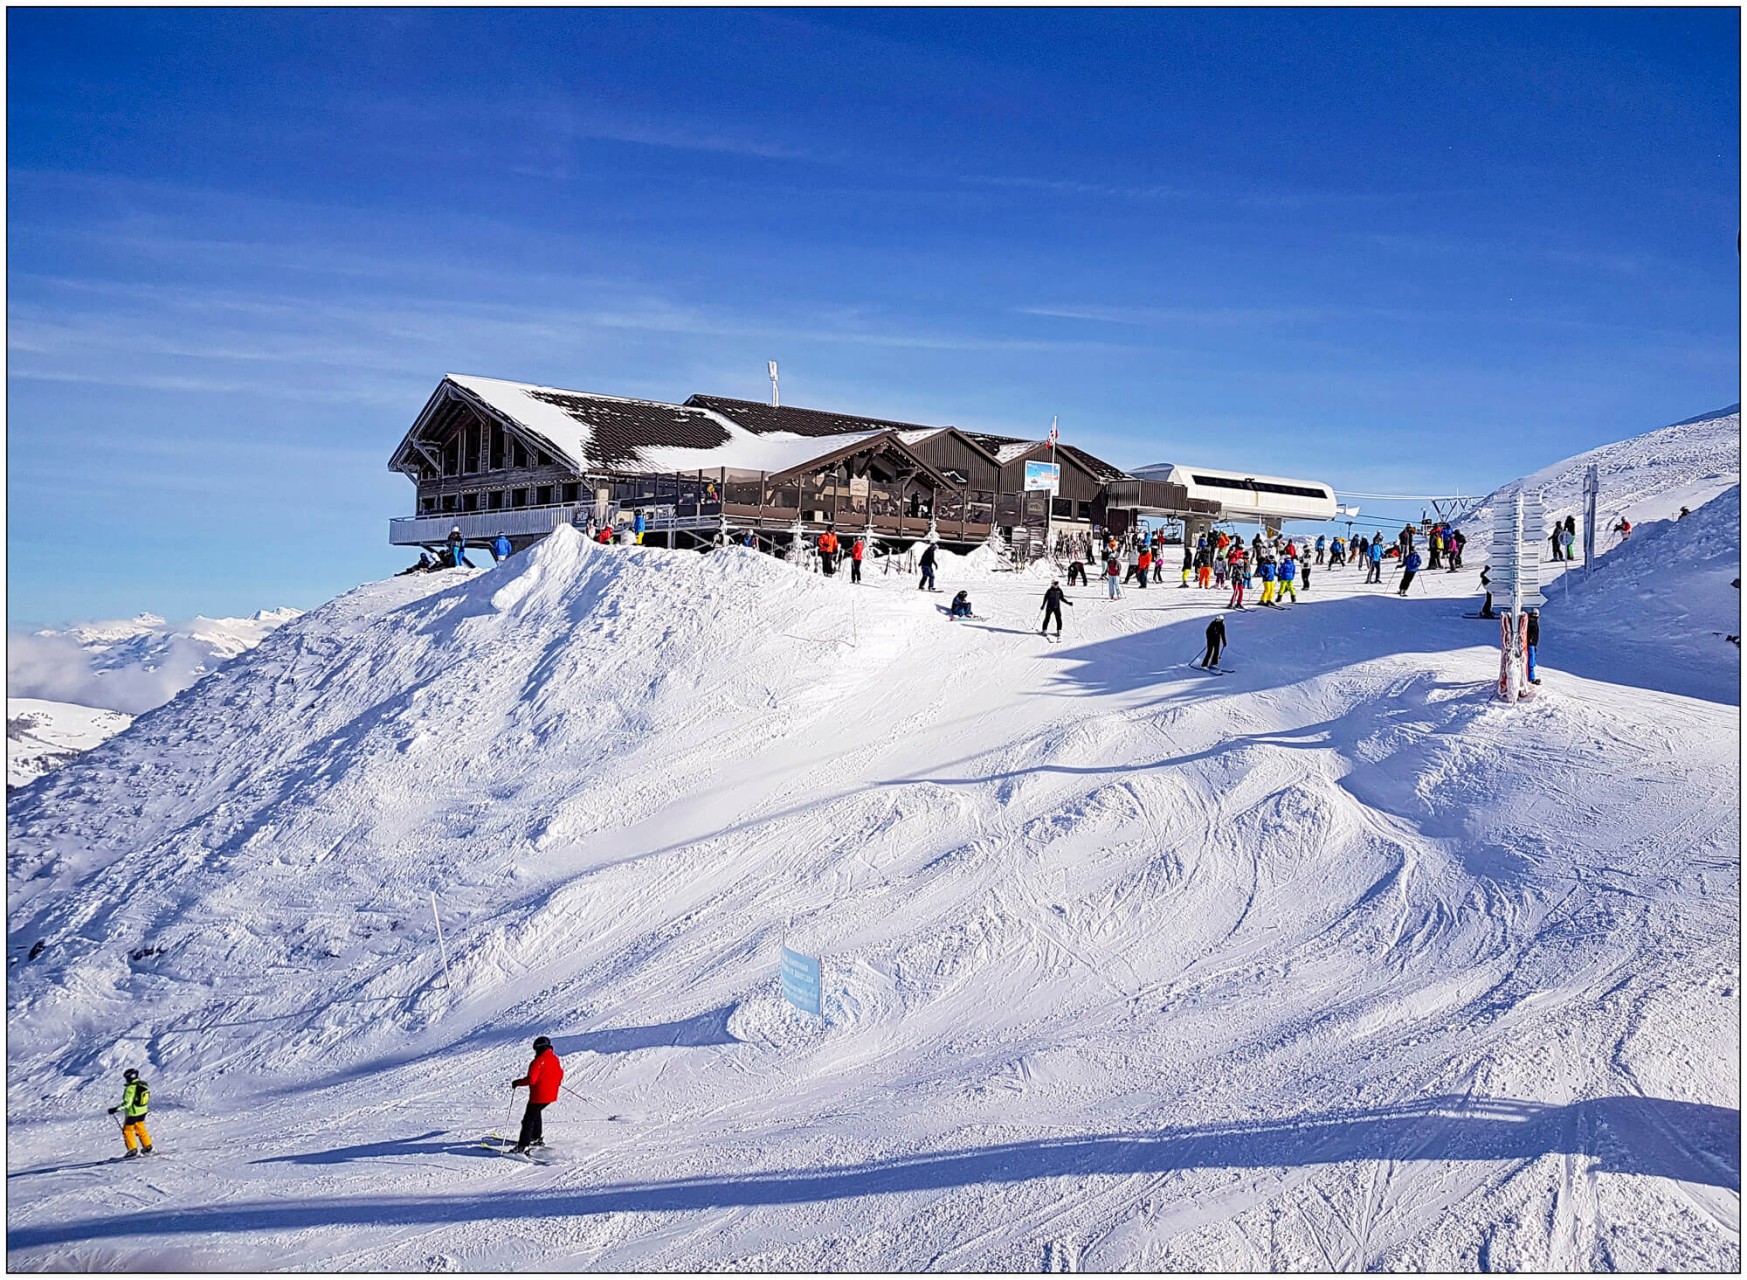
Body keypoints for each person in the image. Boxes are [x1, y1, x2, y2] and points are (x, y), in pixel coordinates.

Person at [510, 1035, 563, 1154]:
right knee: (536, 1113)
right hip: (551, 1095)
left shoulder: (537, 1061)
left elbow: (532, 1080)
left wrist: (517, 1083)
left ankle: (522, 1146)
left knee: (528, 1120)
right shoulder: (555, 1059)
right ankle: (536, 1137)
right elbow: (560, 1073)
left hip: (538, 1096)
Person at [107, 1068, 153, 1157]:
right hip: (143, 1111)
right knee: (140, 1128)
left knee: (127, 1131)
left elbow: (127, 1103)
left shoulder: (130, 1088)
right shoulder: (143, 1084)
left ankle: (132, 1149)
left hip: (133, 1113)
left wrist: (116, 1109)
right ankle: (147, 1145)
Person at [1525, 608, 1540, 684]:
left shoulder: (1531, 621)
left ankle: (1531, 677)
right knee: (1531, 661)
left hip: (1532, 644)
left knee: (1532, 661)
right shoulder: (1532, 622)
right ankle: (1531, 678)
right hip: (1531, 644)